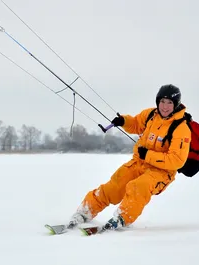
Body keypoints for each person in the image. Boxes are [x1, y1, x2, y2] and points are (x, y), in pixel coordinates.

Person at [68, 84, 192, 230]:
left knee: (138, 187)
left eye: (169, 103)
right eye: (162, 102)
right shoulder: (151, 115)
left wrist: (148, 155)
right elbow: (136, 124)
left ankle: (122, 218)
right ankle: (84, 212)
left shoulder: (181, 128)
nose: (165, 106)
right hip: (138, 163)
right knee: (114, 186)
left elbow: (177, 160)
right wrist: (123, 121)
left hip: (161, 172)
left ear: (176, 104)